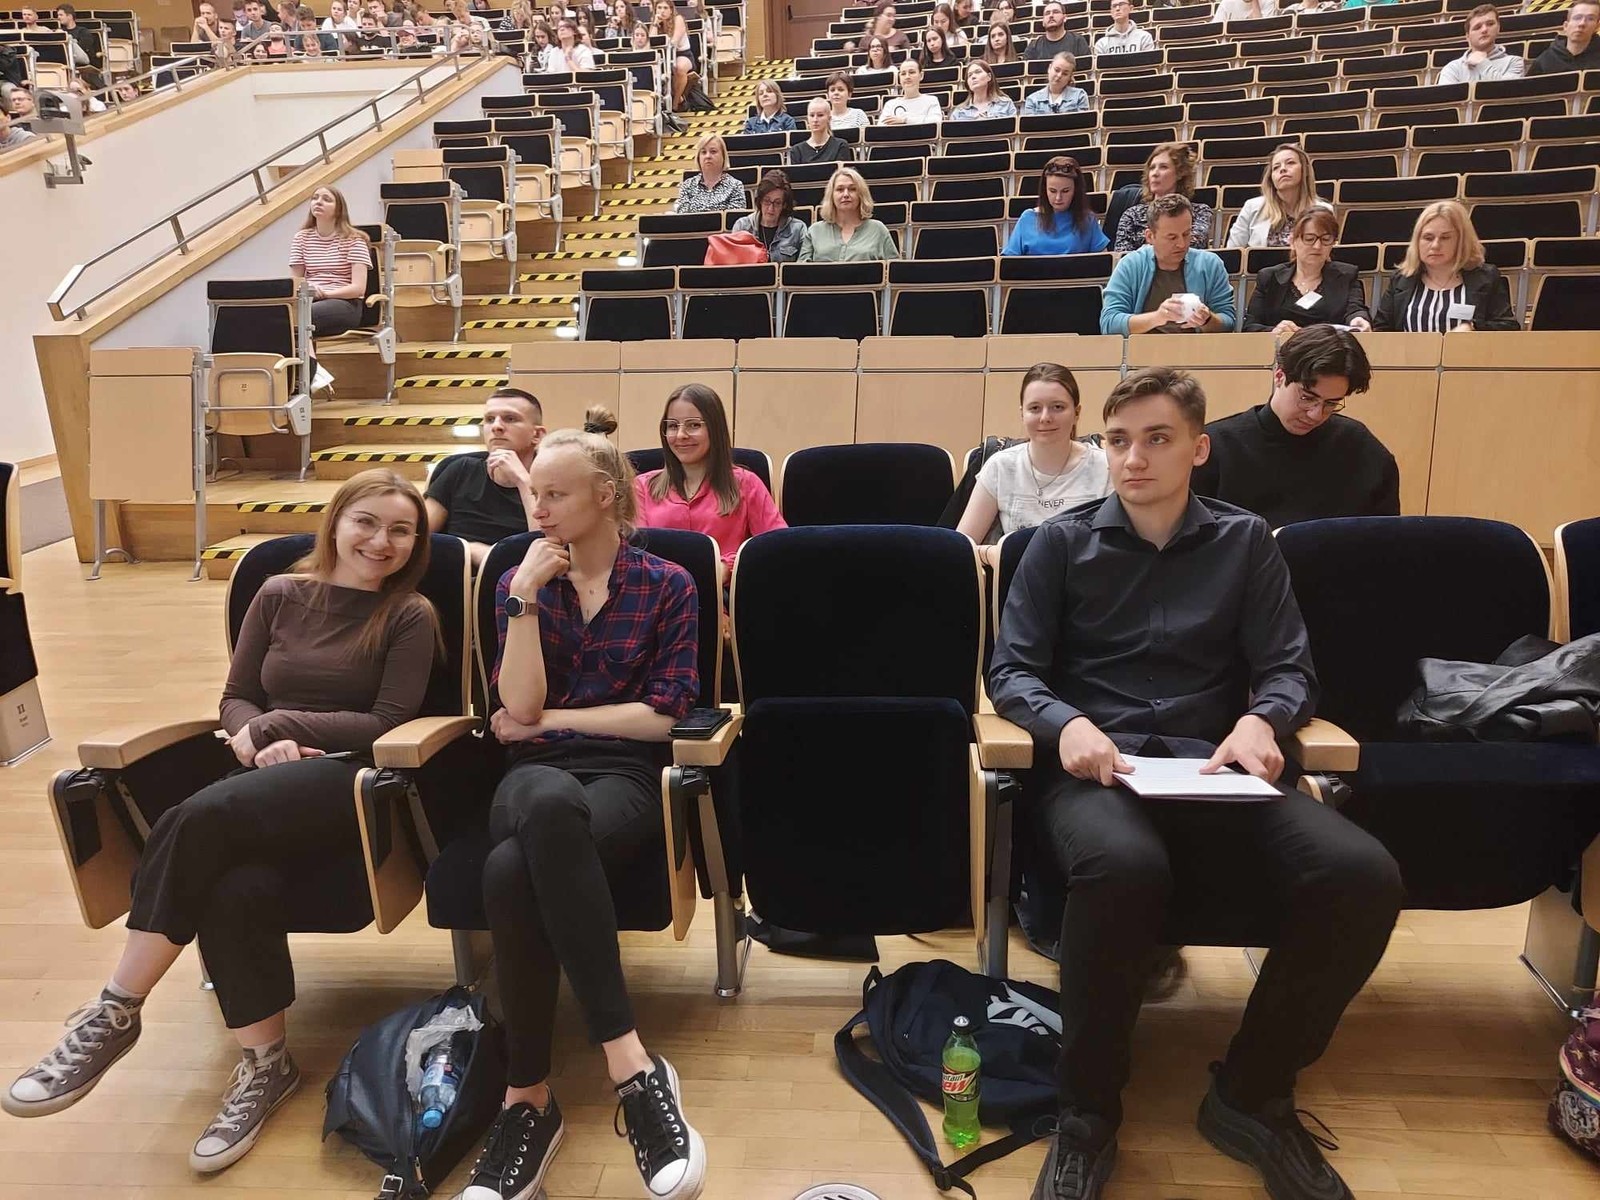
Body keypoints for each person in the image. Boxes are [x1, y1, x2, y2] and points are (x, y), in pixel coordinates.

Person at [990, 365, 1402, 1200]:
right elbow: (1012, 672)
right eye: (1117, 441)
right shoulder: (1059, 545)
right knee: (1124, 865)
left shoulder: (1246, 542)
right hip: (1100, 771)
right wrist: (1067, 724)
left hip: (1216, 766)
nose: (1133, 458)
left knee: (1363, 873)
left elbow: (1288, 668)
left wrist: (1263, 720)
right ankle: (1087, 1113)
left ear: (1199, 449)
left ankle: (1252, 1093)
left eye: (1157, 439)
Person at [2, 470, 440, 1173]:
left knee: (197, 817)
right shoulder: (278, 592)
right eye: (366, 522)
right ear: (335, 521)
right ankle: (266, 1065)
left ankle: (116, 1009)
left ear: (416, 543)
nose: (381, 541)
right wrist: (251, 739)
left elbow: (384, 721)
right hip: (259, 775)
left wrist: (277, 726)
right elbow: (236, 695)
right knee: (234, 884)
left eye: (400, 530)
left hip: (347, 780)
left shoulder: (409, 613)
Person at [461, 409, 707, 1200]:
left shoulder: (668, 584)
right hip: (532, 776)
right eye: (535, 495)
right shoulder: (518, 580)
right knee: (544, 803)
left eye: (555, 495)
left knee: (510, 872)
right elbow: (517, 706)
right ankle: (631, 1067)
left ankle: (527, 1098)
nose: (537, 509)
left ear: (605, 495)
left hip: (623, 779)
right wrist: (523, 600)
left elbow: (663, 718)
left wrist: (551, 722)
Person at [1193, 326, 1398, 528]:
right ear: (1279, 376)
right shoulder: (1216, 446)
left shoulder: (1361, 449)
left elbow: (1384, 538)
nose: (1315, 414)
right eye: (1307, 398)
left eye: (1331, 403)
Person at [956, 362, 1111, 564]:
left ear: (1077, 413)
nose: (1045, 418)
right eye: (1035, 408)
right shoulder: (1000, 467)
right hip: (1017, 579)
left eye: (1057, 407)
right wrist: (994, 553)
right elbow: (962, 548)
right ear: (1023, 414)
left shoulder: (1106, 467)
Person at [633, 385, 786, 570]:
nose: (681, 435)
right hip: (662, 586)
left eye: (694, 425)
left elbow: (779, 548)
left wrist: (727, 567)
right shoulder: (642, 487)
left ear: (715, 429)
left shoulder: (747, 484)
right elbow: (635, 554)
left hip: (723, 587)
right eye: (672, 426)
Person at [424, 388, 545, 565]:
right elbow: (417, 536)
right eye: (489, 419)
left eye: (510, 419)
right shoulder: (460, 469)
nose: (496, 426)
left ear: (537, 435)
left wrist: (523, 481)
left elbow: (546, 551)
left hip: (523, 576)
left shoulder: (552, 480)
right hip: (455, 575)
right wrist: (470, 550)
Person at [1373, 199, 1520, 332]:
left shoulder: (1486, 278)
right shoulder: (1400, 280)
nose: (1435, 245)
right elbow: (1381, 330)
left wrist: (1474, 328)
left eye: (1445, 238)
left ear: (1461, 241)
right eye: (1428, 238)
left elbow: (1509, 327)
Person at [1101, 193, 1236, 334]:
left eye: (1186, 234)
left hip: (1195, 347)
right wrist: (1157, 317)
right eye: (1172, 237)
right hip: (1143, 346)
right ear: (1150, 236)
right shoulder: (1130, 265)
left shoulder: (1210, 264)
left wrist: (1207, 320)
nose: (1181, 244)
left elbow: (1228, 323)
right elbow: (1109, 323)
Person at [1244, 209, 1372, 335]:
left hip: (1331, 346)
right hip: (1282, 346)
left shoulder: (1347, 275)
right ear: (1293, 242)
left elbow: (1355, 309)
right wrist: (1274, 331)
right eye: (1309, 239)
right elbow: (1250, 326)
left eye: (1326, 239)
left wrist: (1358, 319)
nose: (1317, 246)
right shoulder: (1269, 277)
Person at [289, 187, 372, 346]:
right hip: (309, 299)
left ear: (339, 209)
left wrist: (325, 294)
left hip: (345, 303)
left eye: (326, 199)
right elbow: (295, 281)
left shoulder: (354, 240)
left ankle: (307, 360)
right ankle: (304, 360)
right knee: (279, 315)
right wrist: (310, 289)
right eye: (315, 198)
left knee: (302, 316)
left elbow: (359, 289)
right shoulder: (301, 238)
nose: (318, 202)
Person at [1225, 144, 1333, 249]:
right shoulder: (1252, 207)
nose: (1283, 169)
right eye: (1276, 167)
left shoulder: (1324, 210)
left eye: (1290, 163)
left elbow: (1326, 252)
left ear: (1305, 170)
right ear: (1271, 178)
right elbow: (1233, 251)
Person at [1111, 143, 1215, 251]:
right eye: (1152, 168)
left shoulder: (1200, 212)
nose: (1155, 173)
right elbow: (1122, 254)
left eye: (1163, 167)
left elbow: (1191, 245)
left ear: (1180, 173)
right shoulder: (1132, 215)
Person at [1004, 155, 1109, 255]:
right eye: (1053, 191)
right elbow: (1009, 261)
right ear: (1045, 190)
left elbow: (1103, 261)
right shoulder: (1028, 218)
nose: (1058, 198)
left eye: (1065, 191)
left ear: (1076, 191)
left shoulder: (1087, 220)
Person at [798, 167, 900, 261]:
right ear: (831, 196)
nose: (846, 194)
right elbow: (801, 271)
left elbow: (894, 270)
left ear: (861, 194)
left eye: (852, 189)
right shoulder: (814, 231)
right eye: (840, 189)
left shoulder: (878, 229)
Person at [731, 169, 808, 262]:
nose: (771, 208)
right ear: (760, 200)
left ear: (784, 205)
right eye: (767, 201)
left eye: (777, 203)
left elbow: (803, 266)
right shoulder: (742, 226)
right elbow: (734, 263)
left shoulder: (798, 229)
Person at [1439, 5, 1527, 84]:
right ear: (1468, 36)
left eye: (1490, 24)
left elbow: (1507, 92)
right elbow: (1447, 97)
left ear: (1498, 28)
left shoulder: (1514, 62)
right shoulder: (1452, 68)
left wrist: (1483, 63)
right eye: (1477, 27)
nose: (1484, 29)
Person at [673, 133, 745, 212]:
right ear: (698, 158)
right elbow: (683, 217)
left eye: (713, 151)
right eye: (703, 152)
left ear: (723, 156)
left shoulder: (735, 186)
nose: (708, 156)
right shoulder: (687, 186)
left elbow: (735, 218)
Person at [1529, 0, 1600, 74]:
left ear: (1597, 27)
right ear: (1566, 26)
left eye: (1590, 19)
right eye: (1577, 18)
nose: (1582, 23)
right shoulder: (1545, 61)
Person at [651, 0, 695, 109]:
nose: (662, 11)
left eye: (665, 8)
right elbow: (651, 43)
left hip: (682, 54)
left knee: (678, 67)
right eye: (659, 8)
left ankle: (675, 104)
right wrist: (655, 24)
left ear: (671, 10)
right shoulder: (655, 22)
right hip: (663, 57)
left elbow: (674, 42)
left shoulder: (678, 19)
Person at [789, 97, 853, 165]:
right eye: (812, 115)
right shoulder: (797, 150)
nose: (815, 120)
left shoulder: (840, 145)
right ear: (807, 119)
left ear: (829, 118)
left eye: (820, 115)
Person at [879, 57, 943, 125]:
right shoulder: (890, 104)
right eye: (903, 74)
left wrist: (905, 120)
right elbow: (880, 129)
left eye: (912, 72)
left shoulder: (931, 100)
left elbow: (936, 123)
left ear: (921, 75)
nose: (907, 77)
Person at [55, 5, 105, 88]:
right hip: (64, 61)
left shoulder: (83, 31)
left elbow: (84, 49)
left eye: (61, 15)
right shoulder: (59, 31)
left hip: (82, 61)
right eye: (58, 15)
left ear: (70, 16)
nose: (58, 17)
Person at [1022, 51, 1089, 114]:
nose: (1059, 75)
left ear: (1070, 77)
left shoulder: (1080, 96)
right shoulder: (1032, 100)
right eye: (1057, 70)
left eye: (1065, 74)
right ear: (1049, 68)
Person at [1023, 1, 1090, 63]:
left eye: (1056, 12)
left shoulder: (1078, 41)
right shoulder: (1033, 46)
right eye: (1047, 13)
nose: (1051, 15)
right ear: (1043, 22)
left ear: (1064, 18)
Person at [950, 59, 1017, 119]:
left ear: (989, 77)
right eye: (969, 75)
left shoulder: (1006, 104)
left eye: (978, 72)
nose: (973, 77)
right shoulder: (958, 112)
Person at [1213, 0, 1279, 18]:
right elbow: (1216, 31)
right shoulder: (1226, 3)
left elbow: (1263, 30)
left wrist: (1255, 3)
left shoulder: (1268, 1)